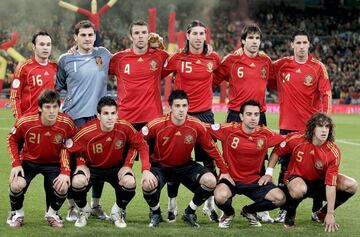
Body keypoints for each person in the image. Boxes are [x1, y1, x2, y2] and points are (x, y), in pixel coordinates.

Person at [141, 90, 232, 228]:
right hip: (161, 166)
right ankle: (156, 213)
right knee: (147, 184)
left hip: (185, 165)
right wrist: (145, 169)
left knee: (211, 180)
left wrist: (224, 170)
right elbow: (138, 142)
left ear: (188, 107)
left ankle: (189, 212)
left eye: (184, 106)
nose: (181, 110)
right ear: (170, 107)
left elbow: (211, 148)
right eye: (177, 106)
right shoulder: (156, 124)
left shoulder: (196, 125)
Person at [213, 23, 275, 223]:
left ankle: (260, 208)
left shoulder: (266, 61)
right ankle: (226, 205)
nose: (254, 42)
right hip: (235, 116)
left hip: (259, 116)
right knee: (230, 159)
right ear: (243, 41)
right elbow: (212, 79)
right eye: (251, 38)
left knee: (260, 158)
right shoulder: (231, 60)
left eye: (257, 38)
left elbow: (273, 81)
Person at [161, 20, 221, 222]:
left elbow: (220, 76)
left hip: (205, 116)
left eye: (201, 33)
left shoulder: (213, 58)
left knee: (209, 161)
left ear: (206, 36)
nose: (198, 37)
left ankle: (209, 206)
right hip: (181, 116)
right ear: (187, 36)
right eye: (194, 33)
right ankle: (172, 205)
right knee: (175, 162)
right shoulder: (178, 57)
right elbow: (160, 72)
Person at [272, 29, 332, 222]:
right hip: (287, 127)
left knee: (317, 169)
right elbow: (261, 67)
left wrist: (325, 120)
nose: (301, 46)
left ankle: (316, 209)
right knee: (285, 169)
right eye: (298, 43)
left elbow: (327, 93)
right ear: (292, 45)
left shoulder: (317, 67)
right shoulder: (282, 65)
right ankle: (285, 209)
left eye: (304, 43)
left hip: (311, 130)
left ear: (309, 45)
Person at [65, 96, 152, 228]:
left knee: (130, 182)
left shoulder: (124, 127)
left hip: (115, 168)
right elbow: (68, 147)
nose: (110, 117)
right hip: (92, 168)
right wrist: (80, 164)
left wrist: (131, 166)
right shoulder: (87, 131)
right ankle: (84, 210)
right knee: (77, 182)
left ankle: (117, 211)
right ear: (98, 116)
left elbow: (140, 144)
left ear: (117, 114)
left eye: (113, 113)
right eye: (106, 113)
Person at [56, 20, 112, 222]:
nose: (87, 38)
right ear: (75, 37)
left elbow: (125, 63)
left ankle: (95, 205)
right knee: (72, 164)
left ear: (95, 37)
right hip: (74, 119)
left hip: (98, 120)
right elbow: (57, 88)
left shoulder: (104, 54)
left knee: (99, 164)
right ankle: (72, 207)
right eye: (83, 35)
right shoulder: (65, 59)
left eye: (90, 35)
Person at [264, 113, 357, 232]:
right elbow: (277, 151)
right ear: (313, 128)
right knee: (299, 189)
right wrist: (269, 173)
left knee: (352, 185)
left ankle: (321, 214)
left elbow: (330, 184)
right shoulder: (297, 140)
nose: (324, 131)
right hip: (296, 179)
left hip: (319, 182)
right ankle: (290, 213)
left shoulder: (333, 152)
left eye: (327, 127)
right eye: (320, 126)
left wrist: (330, 213)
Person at [208, 100, 285, 228]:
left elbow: (283, 144)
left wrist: (269, 172)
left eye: (256, 114)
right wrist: (219, 162)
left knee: (280, 198)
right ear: (241, 116)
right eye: (249, 114)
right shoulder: (229, 129)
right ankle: (229, 213)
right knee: (220, 196)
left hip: (254, 180)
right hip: (230, 179)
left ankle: (249, 211)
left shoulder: (265, 133)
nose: (253, 118)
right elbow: (203, 129)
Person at [6, 89, 77, 228]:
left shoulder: (66, 122)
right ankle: (17, 214)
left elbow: (72, 143)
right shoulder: (26, 121)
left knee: (63, 186)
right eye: (47, 107)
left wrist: (65, 171)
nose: (52, 111)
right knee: (16, 184)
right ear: (40, 108)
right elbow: (12, 139)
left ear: (59, 106)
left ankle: (52, 214)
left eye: (55, 106)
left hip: (53, 163)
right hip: (29, 161)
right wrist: (16, 164)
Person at [109, 20, 169, 131]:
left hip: (152, 118)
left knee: (151, 149)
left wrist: (160, 45)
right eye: (136, 33)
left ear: (148, 35)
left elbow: (178, 60)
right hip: (126, 119)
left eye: (144, 32)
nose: (140, 36)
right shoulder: (118, 59)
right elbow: (97, 69)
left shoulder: (160, 56)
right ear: (131, 37)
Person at [10, 31, 57, 119]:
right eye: (42, 44)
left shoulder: (55, 67)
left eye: (48, 45)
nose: (45, 48)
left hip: (50, 121)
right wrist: (19, 120)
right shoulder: (23, 68)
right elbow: (14, 97)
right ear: (34, 47)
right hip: (29, 122)